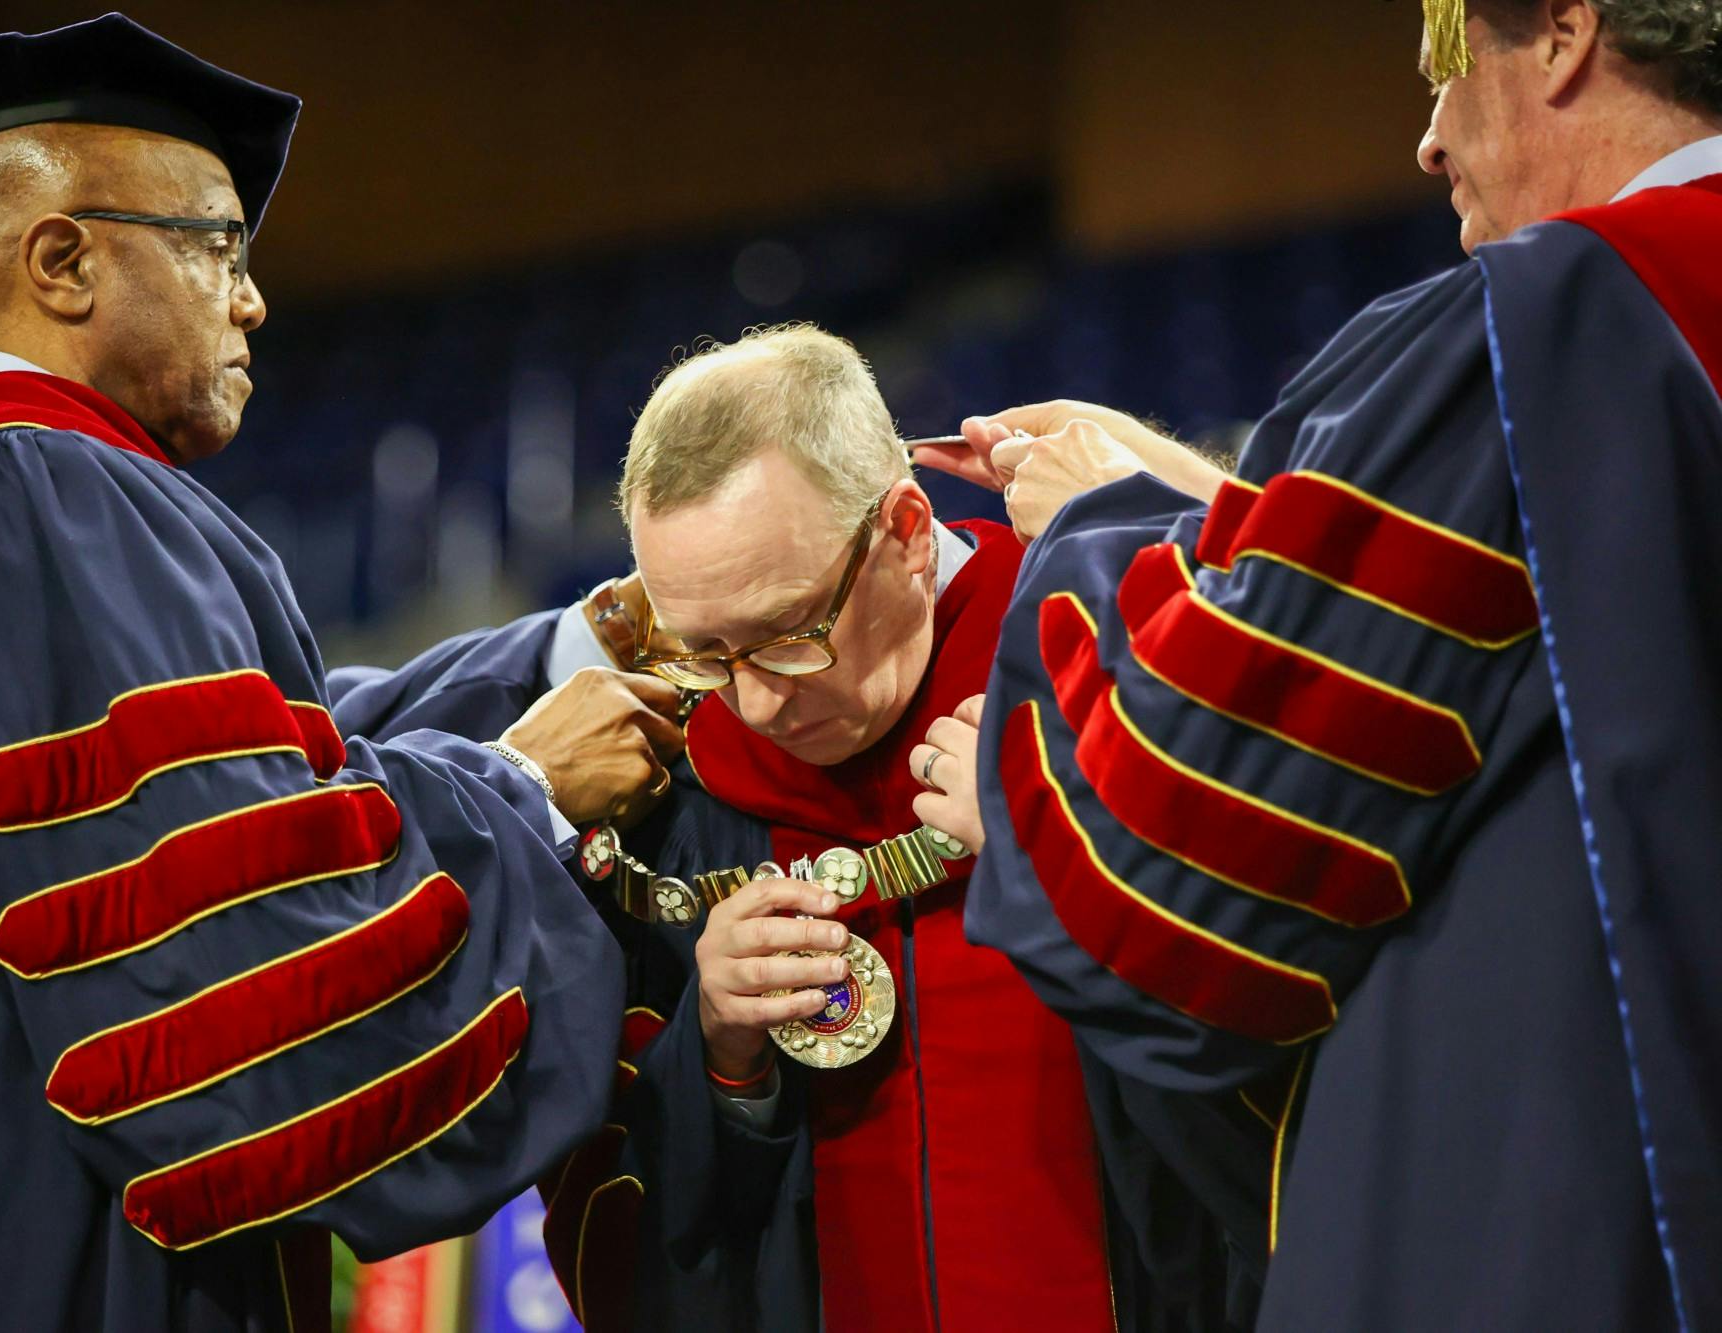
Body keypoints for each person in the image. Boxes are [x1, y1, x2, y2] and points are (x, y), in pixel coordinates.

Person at [0, 15, 683, 1331]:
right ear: (63, 260)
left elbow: (250, 775)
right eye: (221, 245)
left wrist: (559, 655)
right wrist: (519, 794)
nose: (254, 298)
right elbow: (230, 946)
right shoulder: (39, 489)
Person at [913, 1, 1722, 1327]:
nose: (1427, 140)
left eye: (1446, 70)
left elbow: (1192, 868)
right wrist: (1183, 497)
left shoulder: (1543, 335)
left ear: (1568, 32)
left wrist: (1094, 534)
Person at [336, 324, 1268, 1332]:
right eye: (706, 650)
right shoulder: (673, 808)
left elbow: (1307, 1065)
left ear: (907, 532)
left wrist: (1079, 863)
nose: (757, 704)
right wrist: (721, 1061)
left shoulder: (1103, 682)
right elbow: (652, 1254)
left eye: (788, 634)